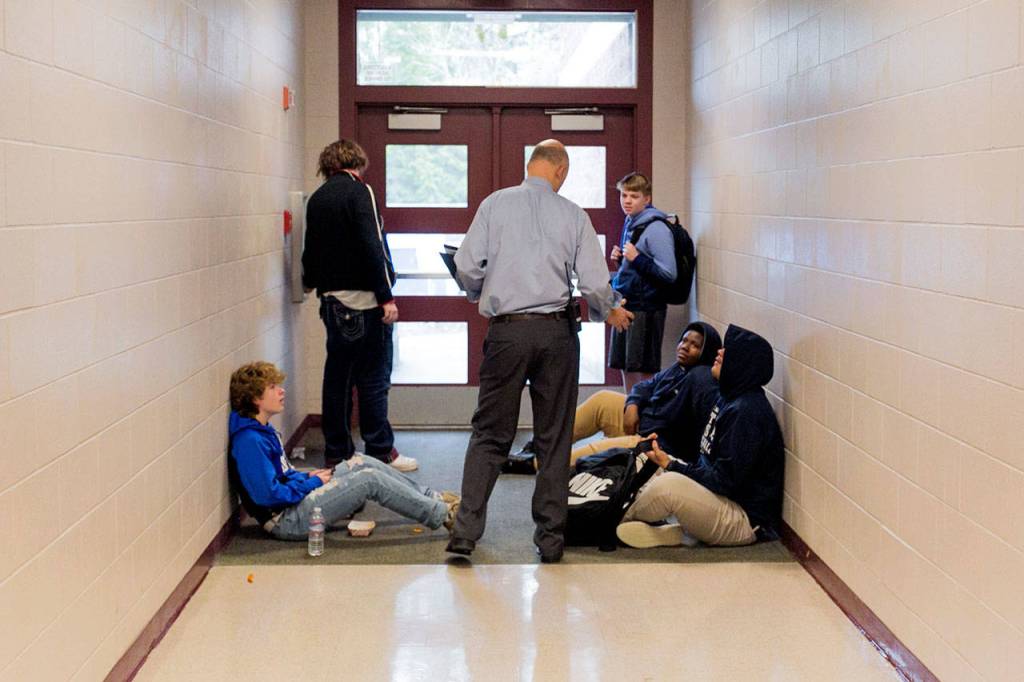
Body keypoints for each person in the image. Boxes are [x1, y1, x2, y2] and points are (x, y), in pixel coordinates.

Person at [447, 139, 634, 563]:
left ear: (530, 166)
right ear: (561, 172)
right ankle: (551, 541)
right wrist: (611, 312)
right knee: (554, 437)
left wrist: (482, 289)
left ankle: (465, 533)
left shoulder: (494, 204)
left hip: (507, 334)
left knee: (490, 433)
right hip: (555, 335)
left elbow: (465, 266)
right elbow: (592, 281)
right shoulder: (573, 215)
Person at [227, 361, 458, 541]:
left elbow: (281, 475)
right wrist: (312, 484)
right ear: (256, 398)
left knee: (360, 461)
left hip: (294, 504)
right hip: (287, 520)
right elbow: (268, 495)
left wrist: (306, 476)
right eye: (272, 387)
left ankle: (432, 497)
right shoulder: (249, 441)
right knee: (369, 480)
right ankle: (443, 515)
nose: (281, 391)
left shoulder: (261, 430)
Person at [301, 139, 417, 473]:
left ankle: (338, 453)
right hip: (364, 304)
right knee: (373, 379)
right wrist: (386, 297)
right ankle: (381, 451)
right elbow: (373, 245)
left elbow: (312, 250)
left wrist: (310, 281)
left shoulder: (318, 198)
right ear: (357, 163)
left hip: (331, 302)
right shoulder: (359, 192)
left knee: (337, 379)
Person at [615, 325, 784, 548]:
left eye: (728, 351)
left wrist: (672, 465)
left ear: (742, 364)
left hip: (742, 519)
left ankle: (612, 519)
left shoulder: (747, 412)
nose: (719, 353)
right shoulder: (730, 397)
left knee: (667, 486)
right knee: (642, 469)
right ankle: (675, 529)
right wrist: (669, 464)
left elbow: (722, 482)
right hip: (716, 496)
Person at [503, 321, 722, 473]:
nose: (685, 347)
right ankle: (538, 446)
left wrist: (645, 423)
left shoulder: (701, 379)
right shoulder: (679, 368)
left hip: (657, 445)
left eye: (694, 346)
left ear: (707, 352)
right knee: (603, 400)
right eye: (684, 341)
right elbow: (646, 386)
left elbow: (682, 430)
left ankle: (534, 464)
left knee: (596, 450)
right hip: (643, 424)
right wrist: (633, 404)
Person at [608, 172, 678, 392]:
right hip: (627, 303)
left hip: (647, 308)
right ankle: (630, 414)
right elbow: (638, 269)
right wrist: (623, 262)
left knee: (643, 368)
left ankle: (644, 420)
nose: (627, 201)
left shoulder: (656, 228)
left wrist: (636, 259)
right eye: (624, 195)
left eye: (634, 196)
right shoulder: (631, 223)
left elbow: (669, 273)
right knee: (625, 365)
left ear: (646, 199)